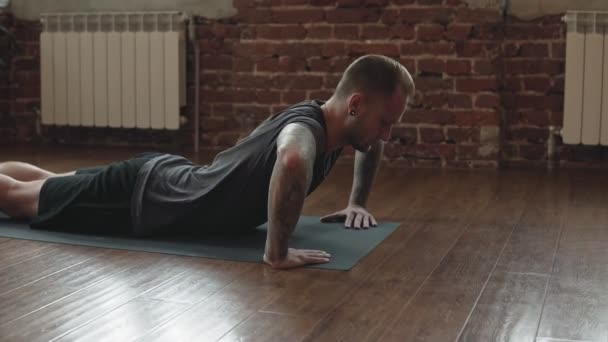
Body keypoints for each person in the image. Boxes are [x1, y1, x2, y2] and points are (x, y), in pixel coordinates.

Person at [0, 54, 414, 269]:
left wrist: (357, 200)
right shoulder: (307, 130)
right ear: (355, 104)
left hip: (155, 180)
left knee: (44, 182)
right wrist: (277, 252)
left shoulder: (343, 128)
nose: (386, 135)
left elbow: (371, 142)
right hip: (139, 200)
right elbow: (290, 158)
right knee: (18, 199)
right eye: (384, 122)